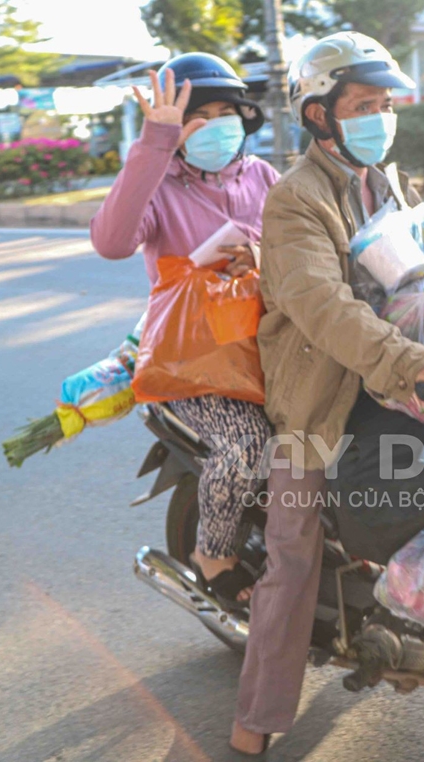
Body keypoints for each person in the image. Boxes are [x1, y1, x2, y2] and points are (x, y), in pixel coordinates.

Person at [230, 32, 424, 755]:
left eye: (386, 104)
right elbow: (324, 308)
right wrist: (412, 365)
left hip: (390, 377)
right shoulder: (296, 200)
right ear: (319, 116)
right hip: (321, 397)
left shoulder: (384, 178)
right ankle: (256, 720)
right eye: (363, 105)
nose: (381, 117)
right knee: (294, 556)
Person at [90, 53, 279, 608]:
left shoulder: (263, 175)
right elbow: (112, 242)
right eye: (200, 116)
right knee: (248, 444)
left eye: (227, 112)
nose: (217, 124)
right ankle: (213, 551)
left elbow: (303, 247)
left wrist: (260, 254)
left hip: (269, 347)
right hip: (196, 363)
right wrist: (156, 144)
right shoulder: (161, 183)